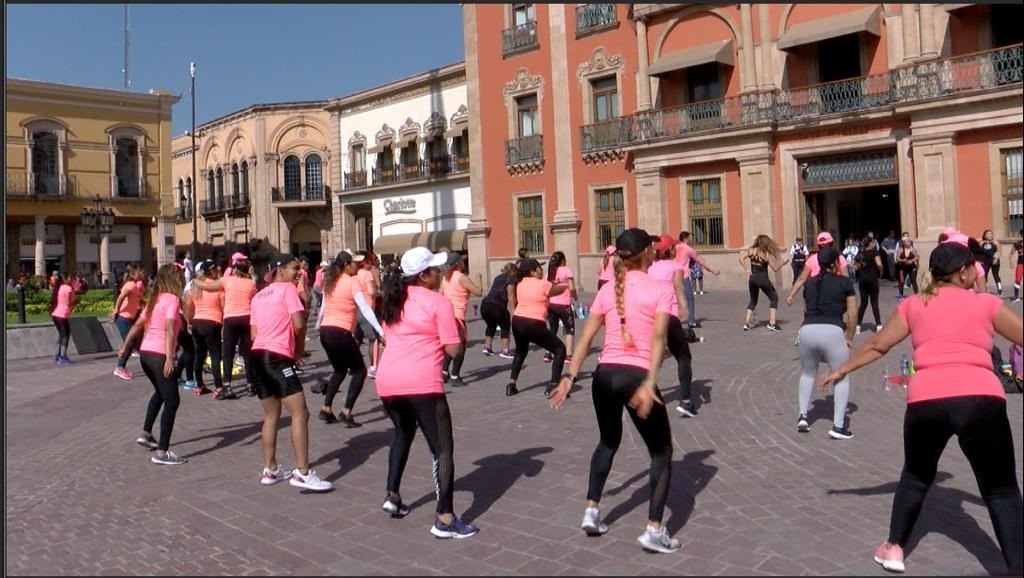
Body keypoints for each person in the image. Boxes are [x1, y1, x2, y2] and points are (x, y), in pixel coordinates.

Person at [819, 242, 1023, 575]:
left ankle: (894, 549)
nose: (977, 272)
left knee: (915, 476)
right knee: (1001, 489)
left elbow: (878, 345)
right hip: (981, 400)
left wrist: (842, 370)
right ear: (962, 273)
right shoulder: (986, 303)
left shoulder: (915, 304)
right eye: (973, 267)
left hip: (927, 401)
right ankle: (1017, 566)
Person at [549, 228, 680, 554]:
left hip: (603, 376)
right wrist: (650, 383)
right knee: (661, 451)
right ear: (648, 253)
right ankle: (654, 529)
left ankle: (591, 512)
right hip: (635, 378)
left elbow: (586, 339)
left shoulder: (608, 291)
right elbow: (659, 339)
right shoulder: (660, 289)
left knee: (608, 441)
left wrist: (568, 376)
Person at [374, 246, 479, 539]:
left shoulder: (392, 301)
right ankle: (445, 517)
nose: (440, 273)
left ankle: (392, 495)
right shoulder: (437, 302)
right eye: (435, 269)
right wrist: (457, 331)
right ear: (424, 276)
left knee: (402, 434)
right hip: (421, 382)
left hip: (388, 381)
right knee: (442, 448)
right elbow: (454, 349)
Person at [249, 254, 332, 492]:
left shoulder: (258, 296)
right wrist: (298, 350)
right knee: (300, 413)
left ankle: (271, 469)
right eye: (295, 268)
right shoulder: (287, 290)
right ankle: (303, 472)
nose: (299, 272)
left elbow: (254, 334)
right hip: (277, 357)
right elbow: (298, 323)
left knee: (271, 415)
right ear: (280, 271)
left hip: (257, 355)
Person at [121, 263, 188, 465]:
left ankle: (146, 434)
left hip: (146, 354)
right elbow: (169, 328)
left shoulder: (155, 299)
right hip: (159, 354)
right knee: (172, 400)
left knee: (161, 393)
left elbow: (138, 325)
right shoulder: (173, 300)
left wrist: (125, 347)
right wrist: (170, 357)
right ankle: (162, 452)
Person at [795, 246, 857, 438]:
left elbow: (806, 310)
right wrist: (849, 337)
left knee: (807, 373)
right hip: (832, 330)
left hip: (807, 329)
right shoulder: (845, 283)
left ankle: (803, 416)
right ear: (836, 263)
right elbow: (853, 314)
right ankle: (838, 426)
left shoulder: (810, 284)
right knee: (841, 377)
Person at [318, 250, 385, 427]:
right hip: (340, 331)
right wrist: (380, 330)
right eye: (355, 263)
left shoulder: (330, 281)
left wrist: (318, 324)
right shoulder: (352, 281)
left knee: (339, 371)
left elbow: (323, 306)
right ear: (347, 265)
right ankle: (346, 411)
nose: (358, 265)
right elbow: (365, 308)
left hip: (326, 331)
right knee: (359, 371)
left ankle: (326, 408)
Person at [191, 255, 258, 398]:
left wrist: (195, 278)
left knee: (228, 354)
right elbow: (255, 299)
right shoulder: (251, 283)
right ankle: (250, 386)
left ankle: (227, 386)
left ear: (235, 270)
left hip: (230, 319)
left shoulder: (226, 280)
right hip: (246, 317)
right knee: (247, 353)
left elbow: (207, 287)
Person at [648, 234, 696, 417]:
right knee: (683, 356)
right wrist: (684, 308)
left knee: (656, 355)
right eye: (673, 246)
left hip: (652, 315)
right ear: (669, 249)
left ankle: (648, 389)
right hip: (669, 314)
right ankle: (686, 401)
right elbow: (678, 287)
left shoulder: (650, 266)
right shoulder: (676, 265)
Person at [505, 258, 568, 397]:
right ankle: (553, 385)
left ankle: (511, 384)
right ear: (533, 271)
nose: (542, 270)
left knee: (520, 352)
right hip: (533, 322)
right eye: (540, 268)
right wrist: (565, 284)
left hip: (517, 320)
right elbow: (557, 290)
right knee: (559, 349)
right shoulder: (542, 285)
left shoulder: (520, 283)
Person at [183, 260, 227, 398]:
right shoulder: (217, 288)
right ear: (212, 271)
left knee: (199, 355)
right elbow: (223, 307)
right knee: (215, 356)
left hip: (197, 322)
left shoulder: (195, 288)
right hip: (212, 322)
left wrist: (189, 322)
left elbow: (187, 306)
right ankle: (219, 387)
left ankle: (199, 385)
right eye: (216, 270)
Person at [440, 254, 483, 386]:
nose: (465, 262)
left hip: (447, 315)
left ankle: (444, 372)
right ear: (458, 264)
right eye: (463, 261)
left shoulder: (445, 278)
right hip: (458, 316)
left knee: (448, 345)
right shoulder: (461, 277)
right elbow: (478, 292)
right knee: (461, 347)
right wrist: (479, 279)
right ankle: (455, 376)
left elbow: (440, 294)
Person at [738, 235, 789, 331]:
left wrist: (746, 270)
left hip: (752, 278)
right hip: (763, 279)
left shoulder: (751, 251)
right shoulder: (766, 254)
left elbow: (740, 258)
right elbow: (775, 269)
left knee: (753, 301)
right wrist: (783, 262)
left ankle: (746, 324)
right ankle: (772, 323)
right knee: (774, 298)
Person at [674, 231, 720, 328]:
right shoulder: (688, 249)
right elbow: (699, 261)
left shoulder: (675, 248)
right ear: (686, 239)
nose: (692, 240)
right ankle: (691, 321)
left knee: (675, 299)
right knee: (690, 298)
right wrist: (712, 270)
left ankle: (675, 321)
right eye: (690, 238)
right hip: (683, 276)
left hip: (673, 275)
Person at [111, 265, 145, 380]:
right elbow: (121, 297)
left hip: (128, 318)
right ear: (133, 274)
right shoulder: (131, 285)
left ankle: (122, 366)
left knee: (133, 342)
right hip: (124, 318)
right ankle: (120, 368)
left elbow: (136, 299)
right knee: (129, 343)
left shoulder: (134, 285)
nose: (141, 273)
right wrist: (116, 310)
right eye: (139, 271)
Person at [545, 251, 578, 364]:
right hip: (564, 305)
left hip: (551, 305)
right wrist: (575, 297)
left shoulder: (549, 272)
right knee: (569, 329)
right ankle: (568, 356)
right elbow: (572, 288)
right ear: (563, 260)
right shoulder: (566, 270)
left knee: (552, 329)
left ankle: (548, 353)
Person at [354, 251, 383, 378]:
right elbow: (372, 291)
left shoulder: (353, 274)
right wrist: (379, 293)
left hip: (355, 310)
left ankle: (352, 365)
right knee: (373, 339)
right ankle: (373, 367)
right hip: (366, 310)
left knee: (357, 338)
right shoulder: (367, 274)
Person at [480, 263, 516, 359]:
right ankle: (505, 350)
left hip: (485, 304)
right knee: (505, 325)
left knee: (491, 325)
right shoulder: (511, 279)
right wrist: (513, 311)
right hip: (497, 305)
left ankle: (487, 347)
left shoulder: (498, 277)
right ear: (514, 271)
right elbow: (510, 295)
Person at [855, 236, 884, 333]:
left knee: (863, 303)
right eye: (873, 242)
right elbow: (879, 264)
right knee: (874, 302)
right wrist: (881, 272)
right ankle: (878, 324)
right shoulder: (874, 252)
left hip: (862, 279)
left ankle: (858, 325)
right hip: (872, 279)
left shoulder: (861, 253)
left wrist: (860, 268)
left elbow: (853, 264)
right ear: (870, 243)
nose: (874, 243)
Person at [49, 272, 75, 365]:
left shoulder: (59, 287)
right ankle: (62, 357)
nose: (71, 279)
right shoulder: (68, 288)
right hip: (62, 315)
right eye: (70, 277)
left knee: (61, 335)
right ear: (66, 279)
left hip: (56, 314)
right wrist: (74, 302)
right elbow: (68, 302)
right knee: (65, 336)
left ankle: (56, 355)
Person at [979, 229, 1003, 296]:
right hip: (985, 261)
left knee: (995, 274)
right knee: (984, 275)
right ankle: (984, 289)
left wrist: (996, 258)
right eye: (988, 234)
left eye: (991, 234)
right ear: (984, 235)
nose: (990, 235)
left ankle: (1000, 289)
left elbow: (999, 251)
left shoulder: (996, 242)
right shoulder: (981, 243)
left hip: (994, 261)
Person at [1011, 236, 1023, 303]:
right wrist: (1011, 261)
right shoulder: (1017, 243)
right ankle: (1016, 297)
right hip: (1020, 264)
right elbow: (1011, 254)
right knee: (1018, 280)